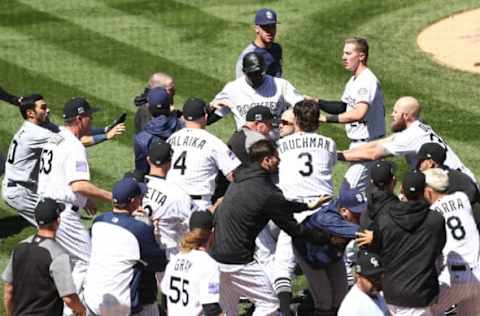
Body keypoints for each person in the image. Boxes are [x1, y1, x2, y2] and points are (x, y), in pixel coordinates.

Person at [209, 139, 330, 316]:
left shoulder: (239, 180)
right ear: (266, 160)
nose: (279, 161)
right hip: (239, 261)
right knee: (271, 303)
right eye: (276, 158)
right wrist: (324, 237)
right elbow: (294, 230)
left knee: (228, 309)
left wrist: (306, 206)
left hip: (217, 257)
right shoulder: (266, 191)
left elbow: (277, 204)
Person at [37, 97, 112, 314]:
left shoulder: (55, 138)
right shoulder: (74, 145)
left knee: (66, 262)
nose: (92, 119)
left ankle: (63, 306)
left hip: (47, 208)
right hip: (63, 215)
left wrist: (84, 200)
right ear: (79, 119)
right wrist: (109, 195)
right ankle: (72, 311)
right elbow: (79, 184)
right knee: (86, 262)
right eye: (89, 116)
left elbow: (57, 174)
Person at [275, 99, 340, 314]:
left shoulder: (281, 145)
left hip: (294, 210)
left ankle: (285, 311)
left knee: (282, 267)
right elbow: (329, 163)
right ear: (317, 121)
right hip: (324, 212)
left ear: (296, 121)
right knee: (332, 263)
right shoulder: (329, 143)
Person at [357, 171, 447, 316]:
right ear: (424, 191)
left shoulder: (385, 219)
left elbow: (378, 249)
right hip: (420, 293)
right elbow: (438, 249)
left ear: (402, 190)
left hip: (391, 292)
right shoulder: (436, 220)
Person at [339, 96, 477, 184]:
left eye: (395, 112)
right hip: (461, 178)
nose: (392, 115)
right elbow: (385, 141)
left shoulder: (410, 136)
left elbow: (373, 154)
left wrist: (336, 155)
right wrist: (346, 151)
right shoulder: (419, 125)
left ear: (405, 116)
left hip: (457, 184)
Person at [83, 177, 167, 316]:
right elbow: (159, 264)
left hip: (91, 300)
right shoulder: (139, 229)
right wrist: (152, 230)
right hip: (117, 308)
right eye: (140, 197)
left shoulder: (99, 221)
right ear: (134, 201)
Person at [319, 37, 385, 192]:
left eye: (348, 53)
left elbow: (359, 113)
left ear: (361, 56)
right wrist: (317, 102)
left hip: (368, 144)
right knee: (366, 198)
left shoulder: (367, 81)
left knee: (347, 196)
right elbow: (344, 107)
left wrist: (325, 119)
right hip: (360, 144)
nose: (343, 57)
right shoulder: (353, 80)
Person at [2, 198, 86, 316]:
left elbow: (8, 291)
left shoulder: (19, 247)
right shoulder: (58, 254)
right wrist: (81, 310)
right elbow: (69, 298)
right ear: (58, 220)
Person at [423, 168, 480, 316]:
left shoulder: (431, 215)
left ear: (429, 191)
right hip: (478, 277)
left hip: (454, 279)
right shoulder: (463, 198)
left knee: (421, 312)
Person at [167, 97, 241, 209]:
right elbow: (235, 175)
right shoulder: (213, 143)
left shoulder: (172, 138)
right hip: (197, 206)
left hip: (170, 203)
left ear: (184, 118)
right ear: (206, 117)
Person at [211, 52, 304, 131]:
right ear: (244, 72)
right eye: (252, 74)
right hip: (246, 144)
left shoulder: (281, 85)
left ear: (265, 69)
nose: (256, 76)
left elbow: (304, 107)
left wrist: (291, 115)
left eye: (259, 73)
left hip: (275, 143)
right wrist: (209, 107)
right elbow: (209, 119)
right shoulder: (232, 89)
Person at [2, 94, 54, 225]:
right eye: (43, 108)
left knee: (58, 223)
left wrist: (104, 131)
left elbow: (68, 133)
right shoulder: (35, 134)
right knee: (56, 227)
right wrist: (105, 135)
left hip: (23, 187)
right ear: (30, 113)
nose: (48, 110)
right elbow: (72, 141)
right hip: (21, 192)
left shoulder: (35, 128)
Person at [161, 211, 222, 316]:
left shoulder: (176, 259)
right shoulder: (208, 264)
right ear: (212, 233)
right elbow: (211, 308)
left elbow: (164, 297)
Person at [142, 140, 196, 259]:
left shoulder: (135, 189)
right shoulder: (178, 195)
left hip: (139, 253)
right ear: (170, 163)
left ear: (148, 159)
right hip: (167, 257)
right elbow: (195, 225)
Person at [134, 87, 183, 173]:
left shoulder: (141, 138)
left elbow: (141, 171)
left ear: (149, 107)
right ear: (169, 105)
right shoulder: (184, 127)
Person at [338, 250, 389, 316]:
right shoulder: (351, 309)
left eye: (379, 277)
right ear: (358, 276)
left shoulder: (378, 294)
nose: (377, 282)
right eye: (372, 279)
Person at [235, 8, 282, 79]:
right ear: (256, 28)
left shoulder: (277, 48)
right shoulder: (249, 55)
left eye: (273, 26)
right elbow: (241, 85)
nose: (270, 31)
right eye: (265, 27)